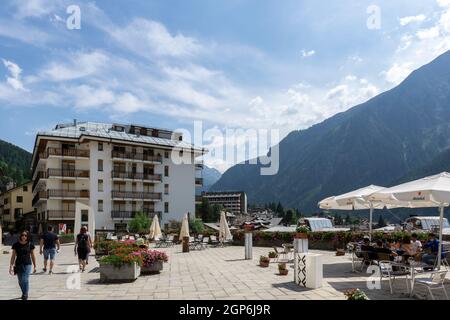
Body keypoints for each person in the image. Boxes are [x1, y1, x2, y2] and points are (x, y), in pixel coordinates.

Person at [9, 230, 36, 300]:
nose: (24, 236)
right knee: (20, 281)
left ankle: (25, 294)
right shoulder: (16, 244)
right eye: (22, 235)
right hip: (18, 264)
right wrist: (11, 266)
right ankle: (24, 292)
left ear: (28, 236)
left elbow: (33, 256)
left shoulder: (30, 245)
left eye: (25, 235)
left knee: (25, 279)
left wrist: (35, 265)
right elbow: (13, 256)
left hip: (27, 264)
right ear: (20, 236)